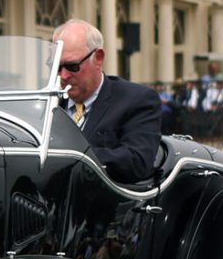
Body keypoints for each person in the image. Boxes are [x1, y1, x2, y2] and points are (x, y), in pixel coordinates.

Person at [51, 19, 162, 185]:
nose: (63, 76)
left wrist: (71, 155)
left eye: (72, 66)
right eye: (56, 67)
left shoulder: (137, 100)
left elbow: (137, 162)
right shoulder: (47, 103)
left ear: (98, 58)